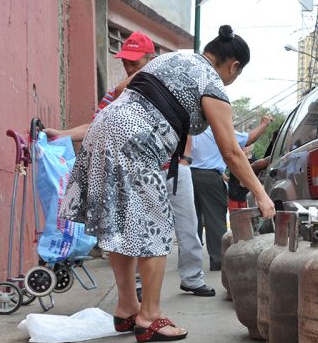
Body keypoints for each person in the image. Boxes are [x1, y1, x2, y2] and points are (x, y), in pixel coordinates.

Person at [58, 25, 275, 343]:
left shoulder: (170, 59)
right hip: (136, 141)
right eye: (236, 75)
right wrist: (261, 194)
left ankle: (127, 308)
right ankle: (149, 317)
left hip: (104, 128)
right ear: (234, 66)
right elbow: (231, 151)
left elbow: (121, 90)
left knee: (121, 225)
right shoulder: (211, 84)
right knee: (156, 229)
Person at [46, 32, 215, 299]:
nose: (129, 66)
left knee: (186, 227)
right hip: (136, 171)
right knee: (134, 230)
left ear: (153, 58)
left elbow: (189, 125)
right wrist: (62, 134)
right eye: (126, 61)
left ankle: (192, 279)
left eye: (136, 61)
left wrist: (185, 158)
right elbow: (97, 125)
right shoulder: (118, 94)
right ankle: (138, 295)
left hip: (173, 167)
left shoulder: (173, 84)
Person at [190, 115, 272, 271]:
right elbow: (248, 139)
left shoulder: (192, 130)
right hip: (210, 177)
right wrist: (264, 124)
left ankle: (190, 265)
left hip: (189, 175)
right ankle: (219, 260)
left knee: (192, 221)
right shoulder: (217, 128)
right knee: (214, 219)